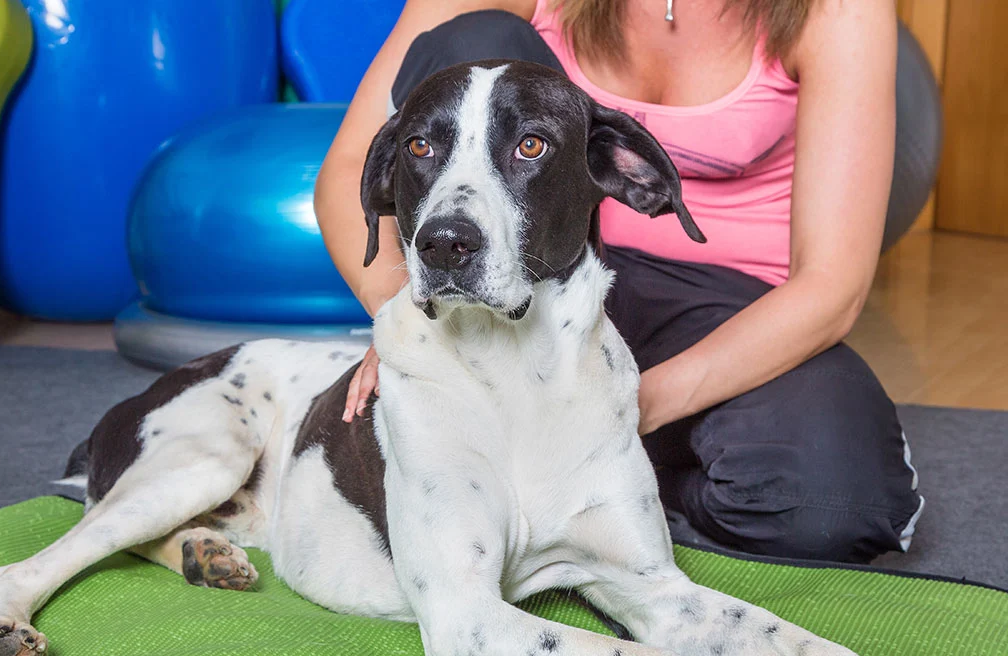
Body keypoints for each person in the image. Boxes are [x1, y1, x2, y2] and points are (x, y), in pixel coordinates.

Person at [313, 0, 924, 564]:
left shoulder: (838, 9)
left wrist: (625, 408)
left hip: (731, 307)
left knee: (834, 509)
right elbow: (351, 167)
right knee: (479, 36)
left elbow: (832, 287)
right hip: (549, 283)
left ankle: (615, 482)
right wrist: (402, 316)